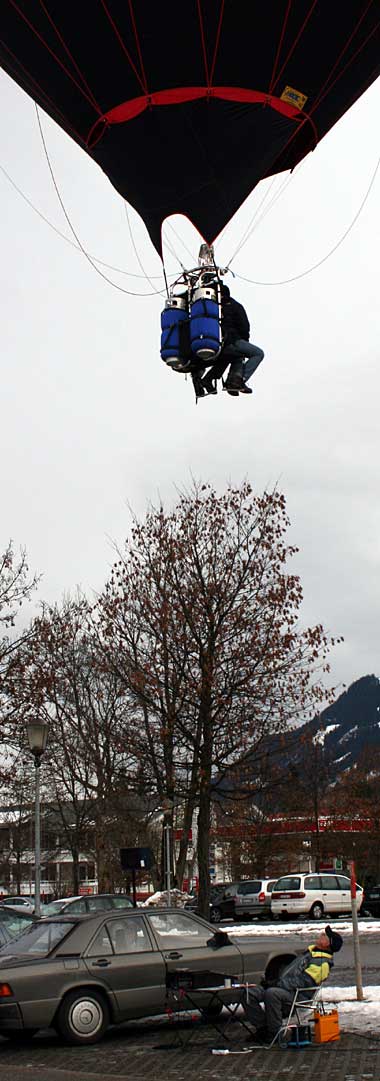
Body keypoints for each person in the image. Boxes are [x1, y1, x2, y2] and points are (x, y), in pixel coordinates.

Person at [242, 925, 343, 1045]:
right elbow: (290, 974)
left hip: (297, 996)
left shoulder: (322, 963)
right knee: (248, 993)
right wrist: (272, 980)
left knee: (272, 994)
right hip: (285, 989)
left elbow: (303, 982)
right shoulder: (311, 953)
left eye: (325, 935)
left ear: (327, 944)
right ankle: (263, 1028)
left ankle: (274, 1033)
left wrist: (276, 984)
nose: (321, 934)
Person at [202, 284, 264, 397]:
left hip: (213, 342)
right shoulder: (235, 306)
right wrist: (244, 342)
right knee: (258, 353)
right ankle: (237, 380)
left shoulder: (210, 307)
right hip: (231, 340)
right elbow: (244, 326)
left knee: (232, 356)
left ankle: (209, 379)